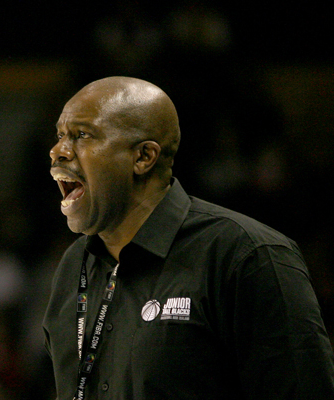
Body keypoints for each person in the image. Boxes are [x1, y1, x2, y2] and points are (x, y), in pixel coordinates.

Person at [42, 76, 334, 400]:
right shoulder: (73, 269)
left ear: (143, 157)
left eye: (82, 135)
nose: (57, 151)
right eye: (60, 136)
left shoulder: (247, 257)